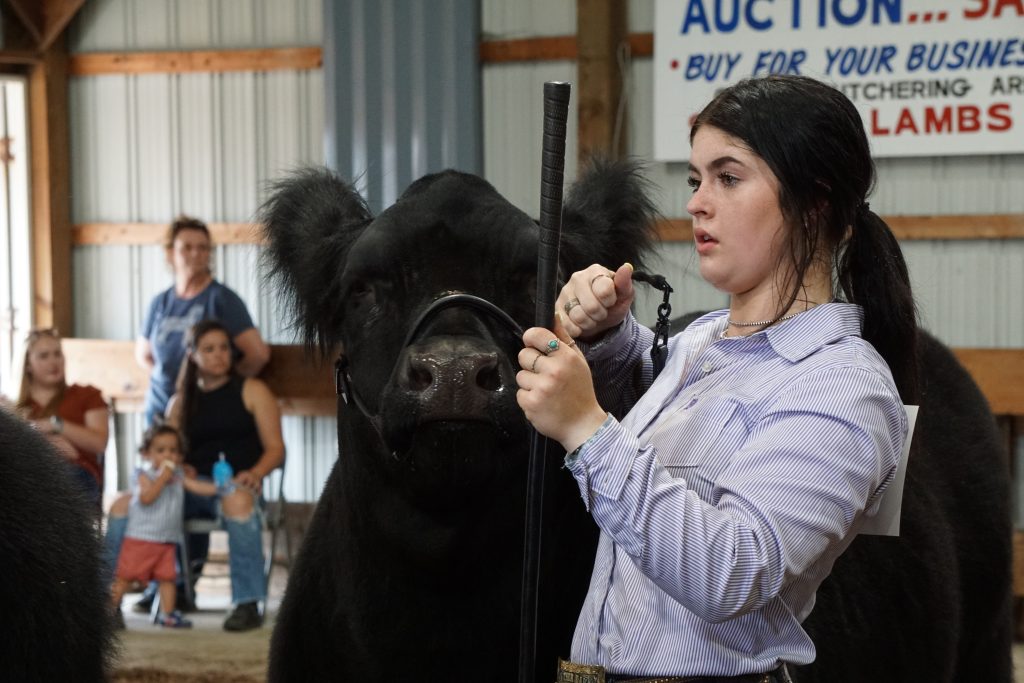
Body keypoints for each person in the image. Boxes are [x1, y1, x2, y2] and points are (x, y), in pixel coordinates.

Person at [516, 74, 917, 682]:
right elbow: (658, 400)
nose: (697, 202)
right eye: (696, 179)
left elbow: (733, 570)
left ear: (815, 200)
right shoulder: (707, 339)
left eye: (728, 178)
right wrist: (602, 334)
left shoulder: (844, 388)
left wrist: (584, 428)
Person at [136, 214, 270, 427]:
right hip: (159, 412)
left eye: (203, 247)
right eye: (187, 247)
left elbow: (258, 355)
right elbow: (144, 355)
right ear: (170, 253)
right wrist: (168, 383)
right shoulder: (160, 303)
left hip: (202, 413)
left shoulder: (222, 299)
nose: (196, 253)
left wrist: (222, 387)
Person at [109, 424, 218, 629]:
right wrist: (163, 477)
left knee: (168, 578)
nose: (168, 455)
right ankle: (109, 611)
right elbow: (147, 497)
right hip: (141, 539)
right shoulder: (143, 475)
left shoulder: (178, 476)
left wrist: (220, 488)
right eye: (161, 450)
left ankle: (167, 614)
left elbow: (197, 487)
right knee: (125, 577)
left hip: (167, 540)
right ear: (147, 454)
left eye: (173, 450)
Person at [13, 328, 109, 508]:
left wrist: (55, 424)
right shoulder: (15, 406)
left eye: (57, 354)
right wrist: (46, 443)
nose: (53, 362)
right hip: (29, 474)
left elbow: (98, 443)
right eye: (44, 356)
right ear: (27, 364)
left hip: (75, 473)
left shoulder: (86, 395)